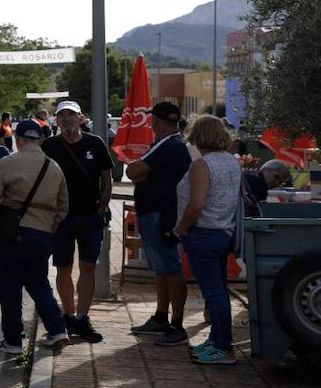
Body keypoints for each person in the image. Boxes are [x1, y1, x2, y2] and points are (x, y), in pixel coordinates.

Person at [0, 120, 70, 354]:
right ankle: (58, 329)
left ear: (19, 139)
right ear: (40, 139)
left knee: (10, 287)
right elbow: (63, 206)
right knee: (39, 283)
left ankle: (12, 340)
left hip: (11, 232)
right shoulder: (54, 167)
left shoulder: (6, 164)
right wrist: (48, 226)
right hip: (42, 233)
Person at [171, 116, 243, 366]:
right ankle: (215, 340)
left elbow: (197, 203)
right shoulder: (232, 162)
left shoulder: (203, 165)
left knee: (214, 294)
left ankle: (222, 347)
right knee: (217, 292)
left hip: (204, 233)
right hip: (224, 232)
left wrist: (182, 228)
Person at [41, 101, 114, 344]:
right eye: (62, 116)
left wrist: (102, 206)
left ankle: (83, 317)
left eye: (72, 115)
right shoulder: (50, 146)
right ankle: (68, 315)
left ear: (81, 118)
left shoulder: (95, 143)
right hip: (61, 218)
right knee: (63, 267)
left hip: (90, 217)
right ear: (57, 120)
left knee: (88, 267)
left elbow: (107, 177)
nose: (67, 119)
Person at [125, 101, 193, 345]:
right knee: (161, 269)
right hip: (158, 211)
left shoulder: (168, 145)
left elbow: (133, 170)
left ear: (156, 121)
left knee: (171, 269)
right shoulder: (170, 144)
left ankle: (176, 324)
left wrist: (142, 174)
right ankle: (162, 317)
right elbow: (139, 172)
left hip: (160, 214)